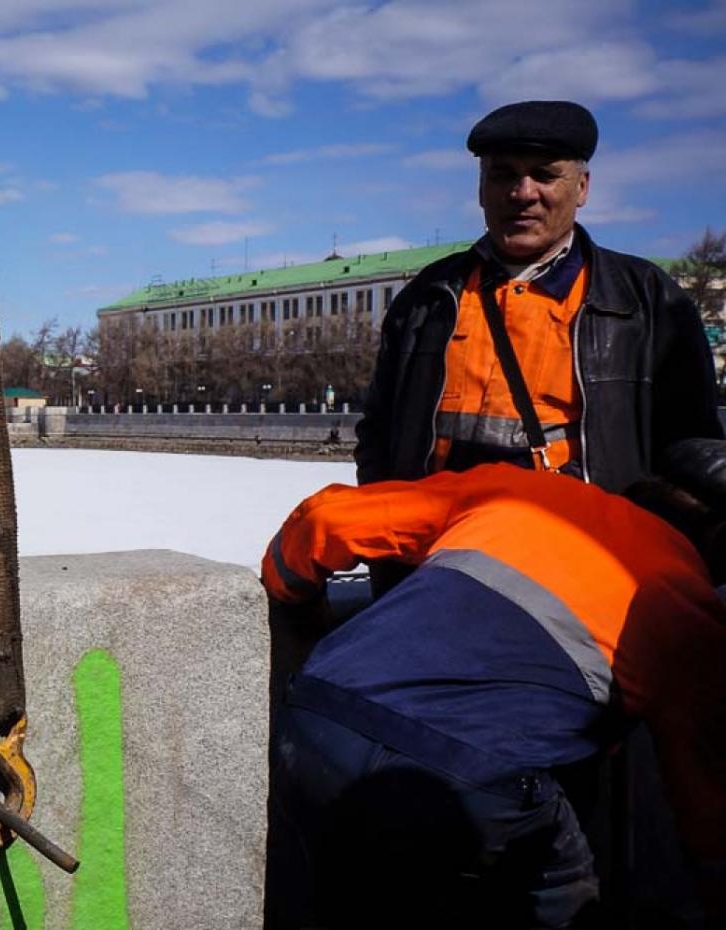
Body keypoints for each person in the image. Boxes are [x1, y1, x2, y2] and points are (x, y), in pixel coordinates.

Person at [259, 447, 726, 928]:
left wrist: (294, 594)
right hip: (462, 780)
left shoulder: (527, 493)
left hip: (315, 722)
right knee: (560, 892)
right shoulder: (686, 605)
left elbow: (326, 518)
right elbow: (705, 803)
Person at [354, 100, 721, 495]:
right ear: (481, 188)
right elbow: (379, 432)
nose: (522, 193)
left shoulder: (648, 300)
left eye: (544, 175)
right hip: (435, 541)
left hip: (581, 544)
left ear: (582, 188)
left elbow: (689, 439)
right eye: (503, 174)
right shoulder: (429, 296)